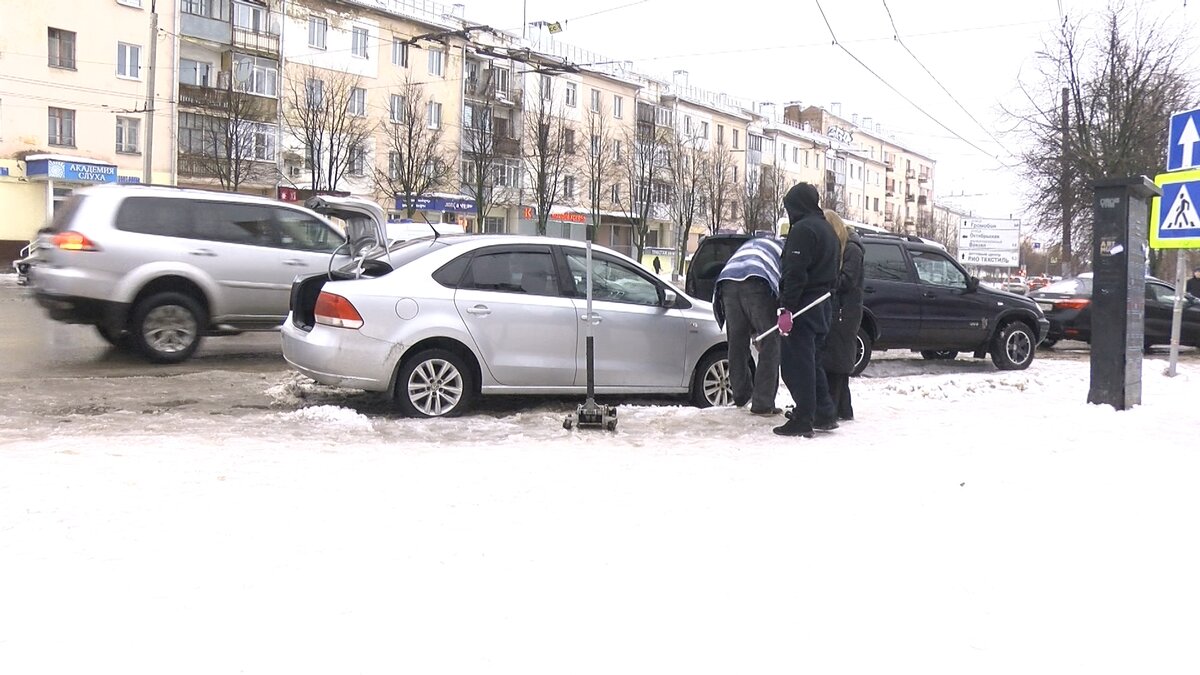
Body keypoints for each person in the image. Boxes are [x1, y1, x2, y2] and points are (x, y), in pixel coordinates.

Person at [773, 183, 841, 438]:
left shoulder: (803, 230)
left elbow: (795, 273)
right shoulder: (828, 230)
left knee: (796, 365)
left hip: (804, 306)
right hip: (823, 305)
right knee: (813, 363)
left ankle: (803, 418)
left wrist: (786, 309)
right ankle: (824, 413)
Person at [712, 236, 785, 415]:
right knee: (770, 342)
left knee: (737, 343)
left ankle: (741, 395)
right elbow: (785, 285)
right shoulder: (785, 249)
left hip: (727, 280)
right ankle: (763, 402)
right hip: (757, 279)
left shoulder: (755, 243)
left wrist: (754, 332)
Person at [821, 210, 865, 422]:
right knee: (836, 360)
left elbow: (847, 280)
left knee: (837, 361)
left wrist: (824, 277)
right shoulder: (845, 247)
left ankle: (834, 408)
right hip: (840, 310)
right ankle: (843, 410)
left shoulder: (851, 249)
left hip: (844, 312)